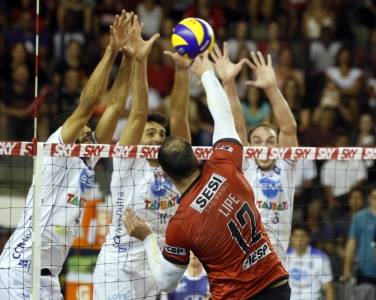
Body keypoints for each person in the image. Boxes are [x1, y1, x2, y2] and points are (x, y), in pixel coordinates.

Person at [122, 47, 291, 299]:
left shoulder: (181, 224)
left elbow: (165, 282)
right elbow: (223, 116)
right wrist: (207, 75)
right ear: (196, 156)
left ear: (166, 175)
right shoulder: (224, 164)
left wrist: (146, 237)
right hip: (277, 287)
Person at [0, 10, 138, 299]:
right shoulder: (55, 152)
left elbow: (112, 108)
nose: (91, 134)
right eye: (85, 130)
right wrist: (111, 50)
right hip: (19, 270)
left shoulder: (85, 161)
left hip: (49, 277)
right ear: (66, 133)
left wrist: (129, 57)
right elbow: (87, 106)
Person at [93, 35, 192, 300]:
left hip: (154, 266)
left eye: (162, 134)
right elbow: (138, 111)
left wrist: (182, 69)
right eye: (150, 133)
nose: (158, 138)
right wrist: (140, 59)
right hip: (118, 265)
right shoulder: (129, 159)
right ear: (137, 139)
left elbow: (180, 114)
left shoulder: (176, 167)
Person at [220, 42, 298, 268]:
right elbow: (237, 124)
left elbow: (289, 129)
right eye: (257, 142)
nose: (264, 147)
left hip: (277, 264)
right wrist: (229, 83)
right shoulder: (247, 165)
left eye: (270, 142)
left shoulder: (286, 166)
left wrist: (272, 88)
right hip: (243, 260)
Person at [287, 225, 335, 300]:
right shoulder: (284, 256)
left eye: (303, 236)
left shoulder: (321, 258)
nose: (300, 240)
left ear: (308, 238)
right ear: (291, 238)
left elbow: (329, 289)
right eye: (296, 236)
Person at [344, 186, 376, 286]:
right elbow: (351, 242)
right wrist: (346, 268)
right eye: (375, 197)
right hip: (365, 270)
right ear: (369, 198)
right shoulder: (359, 217)